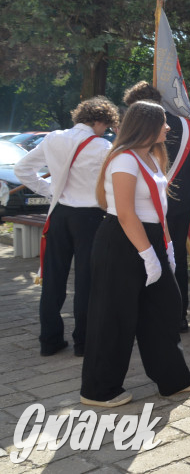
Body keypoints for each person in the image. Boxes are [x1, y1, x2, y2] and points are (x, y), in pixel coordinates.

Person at [80, 101, 190, 407]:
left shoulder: (149, 156)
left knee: (164, 310)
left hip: (148, 239)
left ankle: (173, 380)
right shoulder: (124, 160)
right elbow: (125, 214)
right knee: (114, 317)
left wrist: (164, 248)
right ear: (147, 125)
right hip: (123, 241)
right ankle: (99, 390)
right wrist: (148, 254)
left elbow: (155, 209)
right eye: (163, 123)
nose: (167, 127)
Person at [15, 97, 119, 357]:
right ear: (98, 120)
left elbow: (22, 169)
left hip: (60, 212)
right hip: (91, 217)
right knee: (87, 281)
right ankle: (83, 342)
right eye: (105, 124)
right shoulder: (104, 146)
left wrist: (50, 191)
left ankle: (49, 341)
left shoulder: (53, 138)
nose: (105, 129)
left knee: (53, 279)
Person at [123, 81, 190, 333]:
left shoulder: (139, 129)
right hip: (181, 202)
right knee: (176, 257)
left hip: (146, 201)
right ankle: (178, 316)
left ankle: (145, 314)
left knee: (143, 255)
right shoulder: (188, 125)